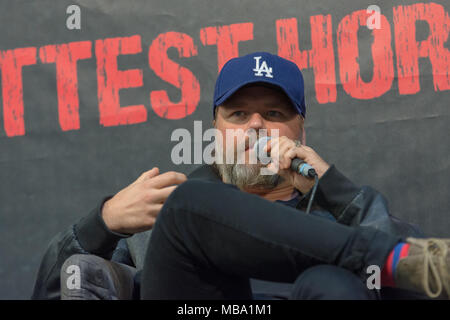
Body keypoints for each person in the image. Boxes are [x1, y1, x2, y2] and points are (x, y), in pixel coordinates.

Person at [32, 52, 449, 300]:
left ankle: (382, 260)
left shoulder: (340, 206)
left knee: (329, 281)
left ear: (301, 131)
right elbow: (54, 289)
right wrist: (100, 222)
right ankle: (387, 257)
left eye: (273, 114)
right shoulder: (166, 213)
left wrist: (335, 192)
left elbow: (420, 293)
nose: (254, 127)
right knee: (188, 204)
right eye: (238, 114)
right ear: (216, 130)